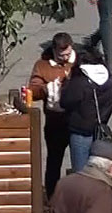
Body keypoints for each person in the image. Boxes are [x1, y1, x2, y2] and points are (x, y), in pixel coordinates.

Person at [30, 33, 78, 198]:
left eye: (67, 54)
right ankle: (51, 197)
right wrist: (46, 89)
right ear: (53, 50)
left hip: (76, 120)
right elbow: (33, 90)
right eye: (60, 55)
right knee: (53, 162)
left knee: (80, 161)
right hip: (54, 122)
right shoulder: (42, 65)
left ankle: (76, 197)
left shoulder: (79, 62)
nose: (64, 58)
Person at [60, 52, 112, 173]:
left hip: (80, 132)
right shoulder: (109, 81)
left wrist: (67, 82)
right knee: (100, 171)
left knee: (81, 172)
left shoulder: (80, 82)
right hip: (101, 131)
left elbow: (65, 101)